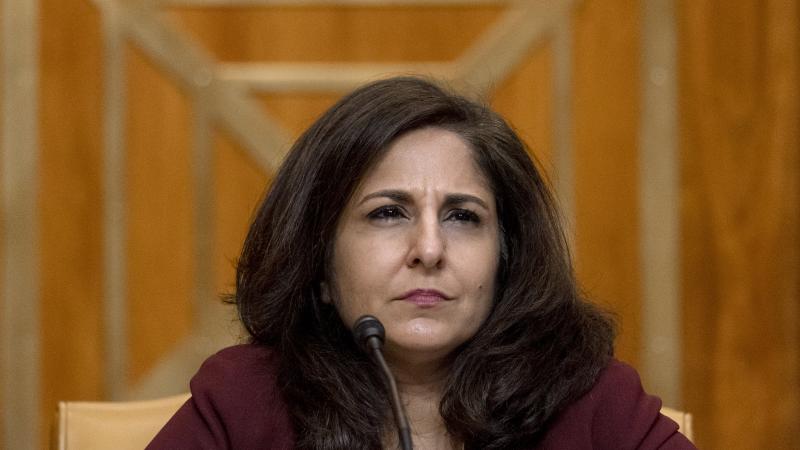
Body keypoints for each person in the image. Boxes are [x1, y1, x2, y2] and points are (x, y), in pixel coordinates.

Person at [149, 76, 695, 449]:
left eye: (462, 216)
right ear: (318, 262)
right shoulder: (244, 399)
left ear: (506, 257)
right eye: (388, 213)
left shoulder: (593, 401)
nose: (429, 250)